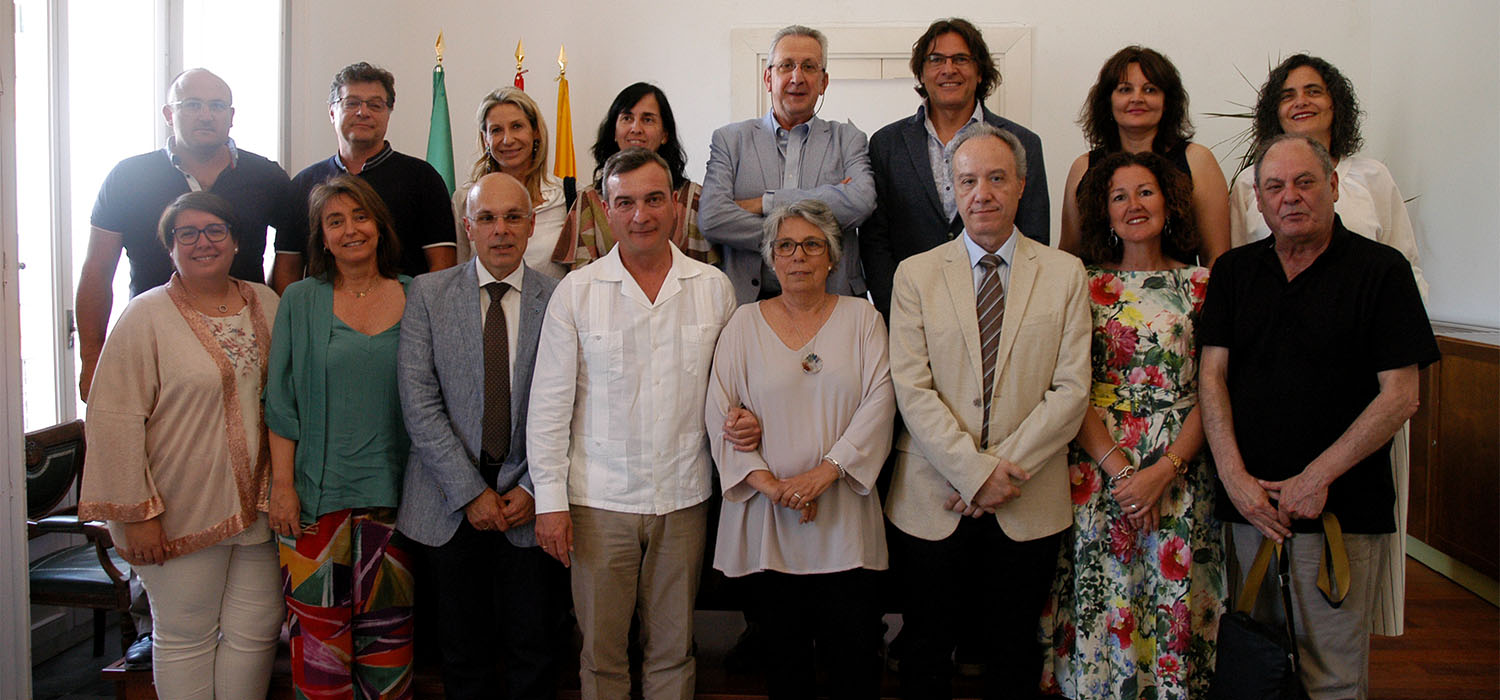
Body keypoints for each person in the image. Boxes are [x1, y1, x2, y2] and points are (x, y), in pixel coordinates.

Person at [1200, 135, 1439, 699]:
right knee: (1255, 665)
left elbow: (1401, 395)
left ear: (1333, 185)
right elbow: (1211, 377)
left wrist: (1317, 477)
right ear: (1257, 200)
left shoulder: (1382, 272)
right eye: (1275, 187)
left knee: (1330, 674)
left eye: (1305, 182)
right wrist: (1235, 481)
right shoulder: (1234, 272)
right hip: (1250, 510)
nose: (1291, 198)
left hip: (1340, 511)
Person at [527, 148, 745, 700]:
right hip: (599, 502)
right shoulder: (577, 292)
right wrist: (550, 502)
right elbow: (549, 405)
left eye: (653, 200)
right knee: (601, 657)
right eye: (625, 203)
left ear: (676, 203)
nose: (641, 215)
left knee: (674, 652)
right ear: (604, 207)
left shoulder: (713, 288)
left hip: (684, 497)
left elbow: (733, 391)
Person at [886, 123, 1090, 700]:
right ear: (952, 190)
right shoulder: (915, 275)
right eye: (968, 180)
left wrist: (1000, 473)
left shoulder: (1064, 274)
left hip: (1027, 496)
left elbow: (1071, 389)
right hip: (933, 496)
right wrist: (974, 474)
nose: (983, 193)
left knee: (1013, 650)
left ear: (1021, 186)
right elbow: (912, 387)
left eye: (997, 178)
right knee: (925, 649)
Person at [78, 191, 283, 700]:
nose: (201, 242)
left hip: (259, 510)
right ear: (169, 247)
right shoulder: (143, 316)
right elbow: (113, 419)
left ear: (237, 239)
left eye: (215, 230)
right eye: (185, 234)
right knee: (186, 639)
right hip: (176, 511)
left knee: (255, 633)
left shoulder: (269, 302)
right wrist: (137, 514)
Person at [1038, 151, 1226, 700]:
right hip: (1098, 465)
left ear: (1169, 203)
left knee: (1173, 591)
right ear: (1104, 210)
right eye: (1119, 196)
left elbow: (1212, 390)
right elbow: (1067, 383)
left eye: (1145, 192)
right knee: (1107, 592)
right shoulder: (1080, 281)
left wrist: (1165, 469)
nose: (1133, 205)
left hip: (1183, 467)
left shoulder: (1202, 284)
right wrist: (1121, 473)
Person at [706, 199, 896, 700]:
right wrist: (774, 486)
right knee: (783, 670)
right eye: (786, 245)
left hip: (843, 521)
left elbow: (881, 405)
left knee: (854, 665)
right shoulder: (743, 324)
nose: (799, 256)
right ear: (770, 257)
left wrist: (825, 474)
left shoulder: (864, 320)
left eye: (813, 245)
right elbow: (719, 413)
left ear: (833, 257)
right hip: (768, 525)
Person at [395, 172, 568, 700]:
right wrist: (470, 492)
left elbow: (573, 402)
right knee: (461, 655)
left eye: (513, 217)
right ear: (467, 227)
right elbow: (419, 401)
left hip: (530, 500)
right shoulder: (427, 294)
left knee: (533, 651)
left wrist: (536, 486)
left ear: (531, 224)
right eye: (487, 218)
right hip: (450, 501)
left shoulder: (561, 297)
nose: (500, 230)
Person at [264, 175, 415, 698]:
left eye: (360, 216)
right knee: (320, 655)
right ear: (321, 238)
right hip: (313, 504)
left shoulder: (417, 294)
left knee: (388, 650)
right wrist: (282, 485)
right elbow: (280, 401)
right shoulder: (301, 300)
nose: (351, 229)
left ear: (380, 225)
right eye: (335, 221)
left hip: (397, 505)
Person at [78, 68, 298, 400]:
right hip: (155, 343)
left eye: (217, 106)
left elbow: (289, 267)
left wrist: (285, 348)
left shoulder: (268, 177)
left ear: (232, 116)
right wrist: (92, 358)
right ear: (169, 114)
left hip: (246, 347)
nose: (206, 115)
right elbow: (97, 271)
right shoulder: (128, 177)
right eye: (192, 105)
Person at [861, 17, 1050, 317]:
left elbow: (1035, 237)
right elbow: (875, 242)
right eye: (936, 59)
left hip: (997, 308)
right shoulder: (887, 144)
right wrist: (895, 309)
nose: (949, 69)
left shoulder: (1023, 142)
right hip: (912, 310)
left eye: (961, 59)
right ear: (922, 72)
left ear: (979, 71)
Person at [701, 24, 876, 305]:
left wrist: (765, 203)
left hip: (834, 304)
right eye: (786, 66)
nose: (797, 77)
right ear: (768, 77)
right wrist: (812, 232)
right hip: (750, 304)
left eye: (809, 67)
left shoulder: (848, 140)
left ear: (824, 82)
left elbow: (860, 202)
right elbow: (712, 218)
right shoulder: (731, 140)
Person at [1229, 53, 1428, 300]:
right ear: (1275, 112)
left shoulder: (1373, 176)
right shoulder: (1249, 183)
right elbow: (1239, 272)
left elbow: (1405, 264)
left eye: (1313, 92)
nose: (1301, 102)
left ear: (1335, 104)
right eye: (1288, 96)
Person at [271, 62, 457, 292]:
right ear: (331, 111)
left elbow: (443, 265)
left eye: (375, 105)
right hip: (321, 320)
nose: (363, 112)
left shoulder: (422, 179)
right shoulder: (303, 184)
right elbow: (287, 268)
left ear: (389, 113)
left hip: (406, 319)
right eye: (352, 103)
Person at [1058, 46, 1230, 267]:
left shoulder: (1197, 160)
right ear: (1108, 101)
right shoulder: (1083, 167)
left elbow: (1217, 255)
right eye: (1124, 89)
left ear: (1167, 101)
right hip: (1095, 296)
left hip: (1182, 296)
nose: (1137, 99)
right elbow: (1069, 257)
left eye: (1150, 90)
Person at [552, 82, 717, 269]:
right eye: (627, 118)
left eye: (647, 120)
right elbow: (581, 280)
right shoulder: (589, 200)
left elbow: (703, 275)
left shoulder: (693, 198)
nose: (636, 128)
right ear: (614, 131)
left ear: (665, 134)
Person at [452, 88, 567, 278]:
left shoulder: (568, 196)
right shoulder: (465, 199)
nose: (507, 140)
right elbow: (460, 272)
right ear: (485, 139)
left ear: (535, 132)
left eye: (517, 126)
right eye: (496, 130)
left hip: (550, 307)